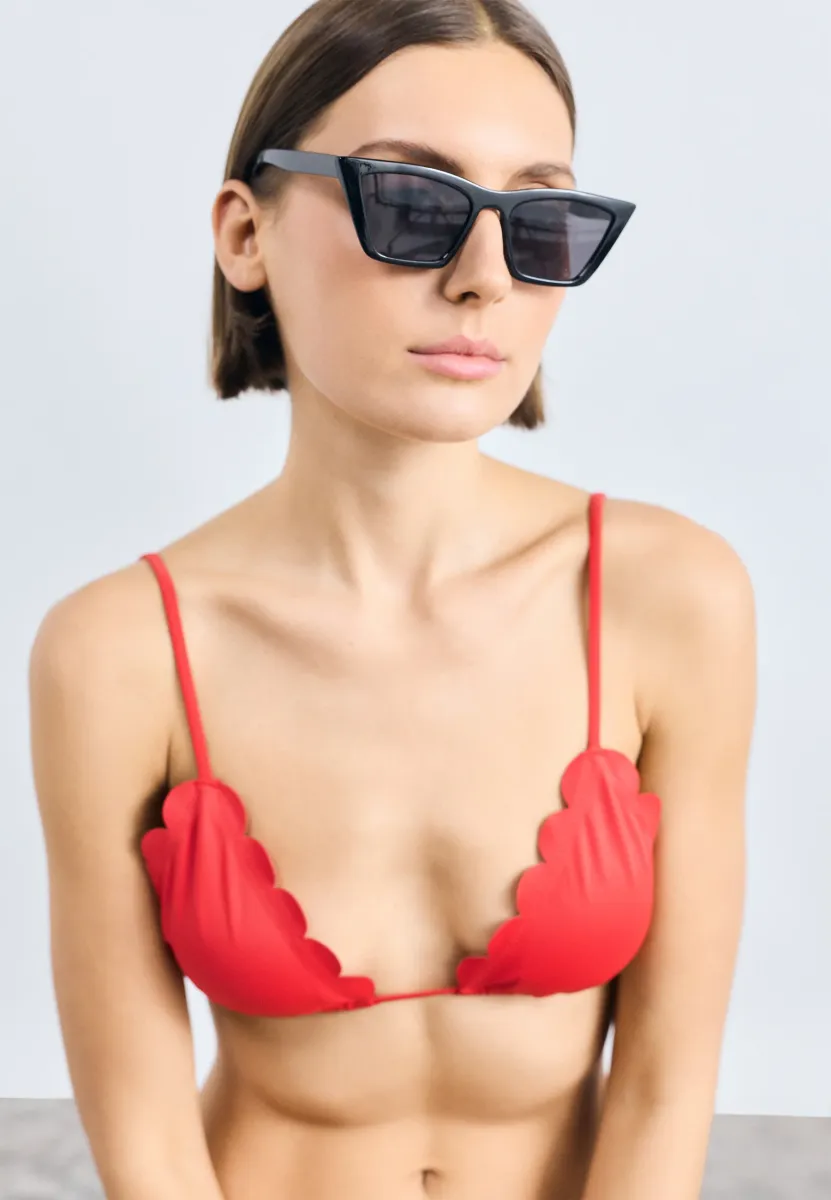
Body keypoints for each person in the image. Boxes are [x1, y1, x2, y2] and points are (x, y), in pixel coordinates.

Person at [28, 1, 757, 1198]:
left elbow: (667, 1087)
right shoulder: (118, 652)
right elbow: (146, 1140)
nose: (484, 280)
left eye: (538, 220)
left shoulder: (669, 596)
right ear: (246, 234)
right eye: (413, 206)